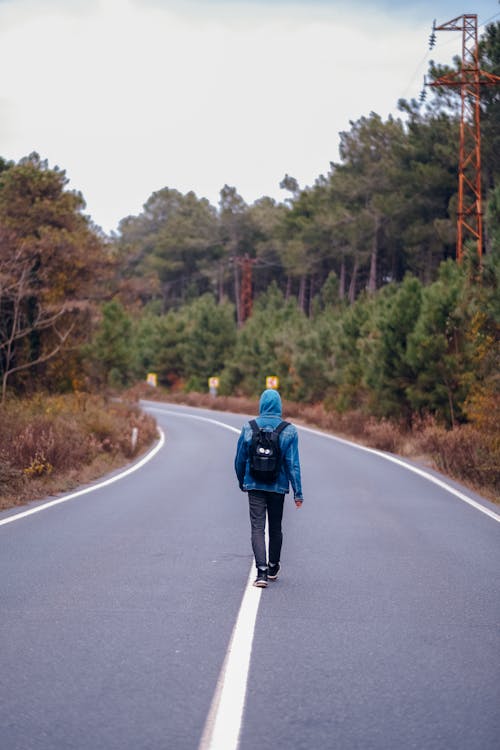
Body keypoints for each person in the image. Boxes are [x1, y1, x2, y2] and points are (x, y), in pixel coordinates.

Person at [234, 388, 304, 588]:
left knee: (257, 527)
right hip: (277, 487)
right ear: (279, 405)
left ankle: (261, 573)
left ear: (261, 405)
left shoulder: (249, 428)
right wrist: (298, 493)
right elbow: (293, 464)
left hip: (254, 484)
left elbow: (239, 459)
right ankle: (273, 567)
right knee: (275, 527)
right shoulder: (289, 430)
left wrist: (242, 481)